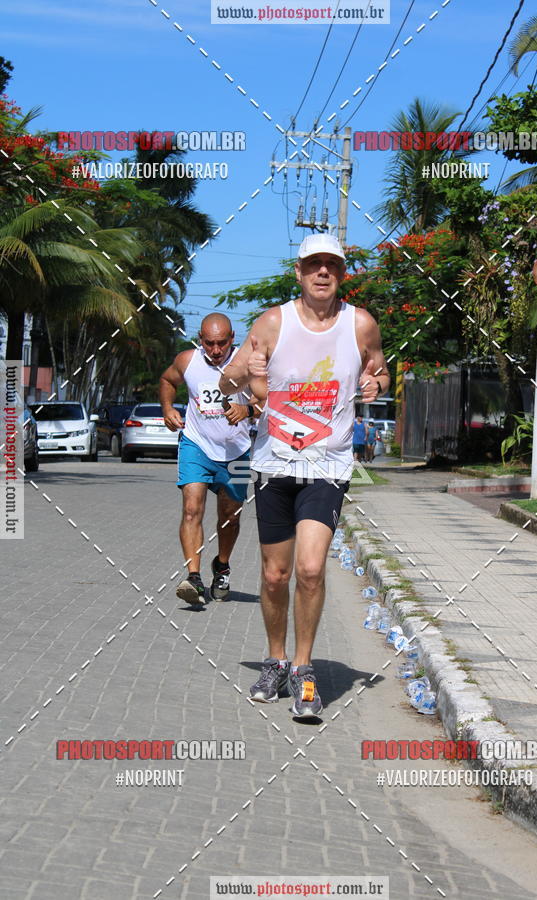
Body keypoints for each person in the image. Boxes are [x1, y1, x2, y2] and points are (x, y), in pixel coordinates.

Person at [219, 233, 390, 719]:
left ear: (340, 274)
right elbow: (226, 380)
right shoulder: (274, 322)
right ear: (298, 272)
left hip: (327, 465)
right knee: (275, 575)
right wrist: (248, 368)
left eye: (331, 266)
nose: (322, 273)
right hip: (274, 463)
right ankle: (274, 660)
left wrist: (375, 382)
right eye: (313, 265)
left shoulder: (360, 324)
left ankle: (302, 667)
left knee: (311, 569)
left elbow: (381, 373)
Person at [159, 313, 258, 607]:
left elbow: (267, 399)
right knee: (191, 509)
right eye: (209, 343)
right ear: (200, 339)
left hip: (237, 450)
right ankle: (194, 577)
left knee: (230, 516)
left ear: (232, 338)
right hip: (196, 444)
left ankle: (222, 565)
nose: (215, 350)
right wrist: (167, 408)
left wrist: (248, 410)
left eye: (221, 343)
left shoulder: (247, 364)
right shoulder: (188, 360)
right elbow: (167, 379)